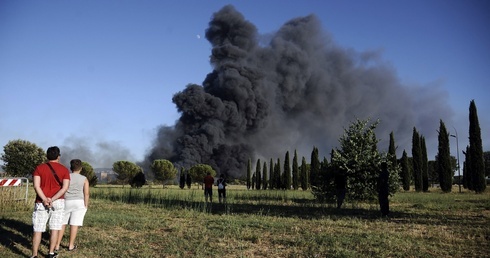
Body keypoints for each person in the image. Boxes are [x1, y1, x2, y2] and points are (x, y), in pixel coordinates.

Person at [31, 146, 70, 258]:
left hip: (40, 201)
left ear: (47, 156)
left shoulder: (39, 168)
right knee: (54, 228)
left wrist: (44, 199)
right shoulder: (64, 170)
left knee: (38, 230)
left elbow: (36, 186)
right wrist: (51, 199)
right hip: (57, 201)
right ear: (58, 156)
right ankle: (51, 253)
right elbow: (64, 188)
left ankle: (34, 255)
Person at [55, 159, 89, 252]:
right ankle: (71, 246)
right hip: (79, 202)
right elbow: (86, 193)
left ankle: (57, 245)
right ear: (81, 168)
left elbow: (62, 189)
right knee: (74, 224)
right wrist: (86, 204)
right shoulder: (84, 178)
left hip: (66, 201)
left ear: (70, 168)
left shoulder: (66, 176)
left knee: (62, 223)